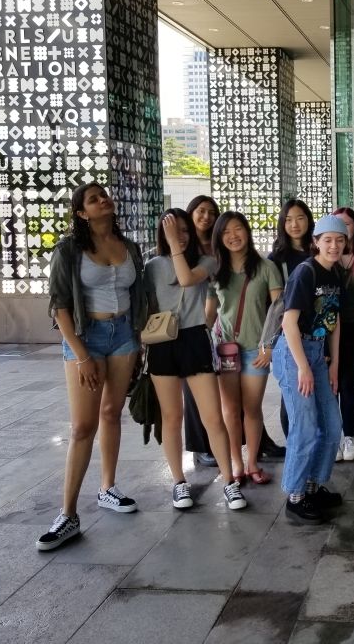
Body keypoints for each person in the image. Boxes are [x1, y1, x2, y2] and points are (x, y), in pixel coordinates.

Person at [40, 184, 144, 550]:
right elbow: (60, 305)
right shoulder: (68, 250)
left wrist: (139, 338)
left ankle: (108, 488)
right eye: (94, 199)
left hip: (123, 336)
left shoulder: (128, 247)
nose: (104, 201)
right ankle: (67, 514)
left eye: (105, 196)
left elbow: (137, 294)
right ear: (82, 213)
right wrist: (81, 354)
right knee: (83, 426)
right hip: (87, 336)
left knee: (113, 413)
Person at [145, 209, 247, 511]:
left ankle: (229, 481)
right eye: (172, 230)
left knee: (213, 417)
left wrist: (176, 244)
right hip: (162, 343)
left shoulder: (206, 261)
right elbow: (146, 307)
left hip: (194, 339)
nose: (180, 236)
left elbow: (187, 279)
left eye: (184, 230)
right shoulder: (151, 267)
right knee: (171, 417)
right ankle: (179, 482)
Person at [272, 215, 349, 524]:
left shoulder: (336, 274)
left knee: (331, 425)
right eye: (327, 239)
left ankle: (314, 485)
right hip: (294, 354)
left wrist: (334, 366)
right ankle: (295, 495)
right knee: (304, 427)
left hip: (317, 352)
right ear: (316, 241)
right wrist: (303, 367)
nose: (333, 245)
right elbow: (288, 322)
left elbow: (335, 321)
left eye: (339, 240)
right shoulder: (306, 273)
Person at [207, 211, 283, 485]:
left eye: (238, 229)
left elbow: (278, 309)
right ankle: (235, 464)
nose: (233, 236)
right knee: (230, 409)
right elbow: (209, 313)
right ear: (219, 238)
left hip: (255, 350)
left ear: (247, 232)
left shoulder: (265, 267)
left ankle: (252, 462)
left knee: (252, 408)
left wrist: (270, 346)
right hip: (224, 349)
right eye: (226, 232)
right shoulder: (215, 270)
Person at [268, 198, 316, 444]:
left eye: (300, 218)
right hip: (289, 335)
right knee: (293, 396)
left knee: (316, 395)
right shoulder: (277, 258)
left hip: (317, 332)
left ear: (308, 220)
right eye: (288, 219)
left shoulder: (319, 251)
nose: (295, 224)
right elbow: (274, 304)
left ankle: (313, 446)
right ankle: (294, 446)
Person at [182, 195, 220, 468]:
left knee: (231, 390)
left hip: (221, 324)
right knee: (194, 391)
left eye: (211, 212)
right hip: (191, 326)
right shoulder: (183, 247)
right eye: (201, 211)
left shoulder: (217, 247)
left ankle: (253, 439)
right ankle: (199, 446)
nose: (206, 217)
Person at [332, 206, 354, 462]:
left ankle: (349, 437)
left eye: (347, 223)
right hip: (328, 331)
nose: (343, 228)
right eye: (337, 223)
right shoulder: (326, 256)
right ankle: (333, 438)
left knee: (347, 383)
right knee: (331, 385)